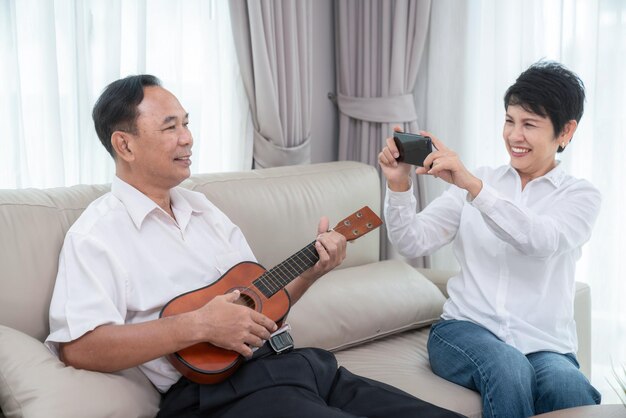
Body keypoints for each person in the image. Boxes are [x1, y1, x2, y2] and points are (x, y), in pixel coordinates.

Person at [45, 74, 463, 418]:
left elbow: (262, 304)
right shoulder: (96, 236)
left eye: (187, 123)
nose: (187, 138)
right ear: (124, 144)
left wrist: (315, 271)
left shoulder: (203, 207)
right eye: (170, 127)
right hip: (217, 399)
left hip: (297, 365)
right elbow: (80, 348)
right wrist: (200, 325)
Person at [378, 61, 602, 418]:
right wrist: (398, 183)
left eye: (529, 124)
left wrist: (473, 188)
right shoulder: (479, 180)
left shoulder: (580, 196)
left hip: (544, 346)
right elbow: (411, 241)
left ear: (566, 131)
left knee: (570, 387)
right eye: (510, 120)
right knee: (507, 367)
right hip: (463, 332)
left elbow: (538, 239)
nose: (515, 135)